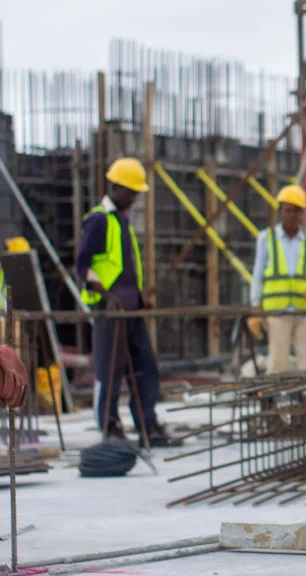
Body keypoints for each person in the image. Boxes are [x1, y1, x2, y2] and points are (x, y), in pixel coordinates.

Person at [76, 158, 177, 447]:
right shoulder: (98, 220)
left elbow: (123, 267)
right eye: (131, 192)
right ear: (116, 187)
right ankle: (111, 427)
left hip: (130, 309)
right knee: (110, 369)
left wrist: (138, 295)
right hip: (110, 310)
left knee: (145, 365)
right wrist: (107, 296)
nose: (134, 198)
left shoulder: (122, 221)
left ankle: (147, 424)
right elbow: (83, 266)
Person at [247, 185, 306, 374]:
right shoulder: (266, 239)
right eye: (288, 210)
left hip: (304, 310)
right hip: (277, 311)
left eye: (296, 211)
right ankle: (273, 401)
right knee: (277, 362)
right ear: (280, 212)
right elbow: (258, 273)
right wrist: (256, 307)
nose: (291, 215)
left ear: (302, 214)